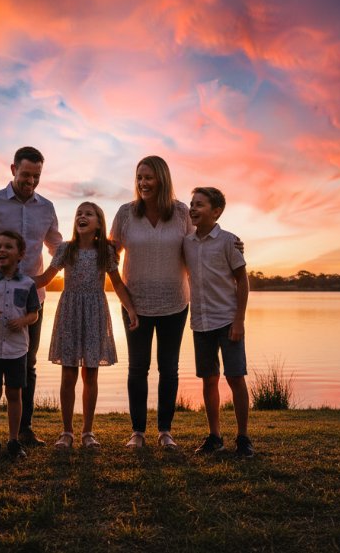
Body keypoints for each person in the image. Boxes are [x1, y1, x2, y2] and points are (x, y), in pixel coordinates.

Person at [0, 146, 62, 449]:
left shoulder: (46, 207)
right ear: (12, 170)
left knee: (27, 364)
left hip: (32, 298)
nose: (30, 181)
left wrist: (49, 276)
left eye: (36, 176)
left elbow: (56, 245)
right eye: (25, 175)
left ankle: (23, 431)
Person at [33, 202, 139, 450]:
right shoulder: (66, 249)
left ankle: (87, 432)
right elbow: (45, 278)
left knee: (90, 374)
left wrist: (131, 310)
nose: (82, 216)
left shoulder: (105, 252)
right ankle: (66, 432)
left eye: (88, 214)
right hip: (70, 312)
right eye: (79, 213)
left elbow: (118, 285)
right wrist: (17, 279)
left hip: (94, 313)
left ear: (99, 223)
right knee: (68, 373)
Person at [110, 155, 193, 450]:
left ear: (162, 179)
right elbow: (110, 256)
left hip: (175, 303)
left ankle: (165, 432)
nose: (143, 183)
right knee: (138, 368)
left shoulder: (182, 213)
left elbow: (199, 247)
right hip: (135, 305)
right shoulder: (125, 214)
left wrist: (231, 244)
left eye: (148, 177)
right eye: (139, 178)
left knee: (169, 368)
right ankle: (138, 432)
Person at [183, 187, 254, 457]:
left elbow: (242, 281)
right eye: (191, 204)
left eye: (199, 204)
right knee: (208, 380)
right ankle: (215, 436)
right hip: (200, 322)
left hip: (227, 320)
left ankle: (243, 438)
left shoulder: (228, 241)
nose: (193, 208)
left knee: (236, 377)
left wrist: (239, 319)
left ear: (216, 211)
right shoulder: (186, 242)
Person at [0, 231, 41, 460]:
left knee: (14, 393)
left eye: (8, 247)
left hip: (16, 349)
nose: (1, 250)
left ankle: (13, 440)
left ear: (20, 254)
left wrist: (22, 321)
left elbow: (34, 314)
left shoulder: (28, 284)